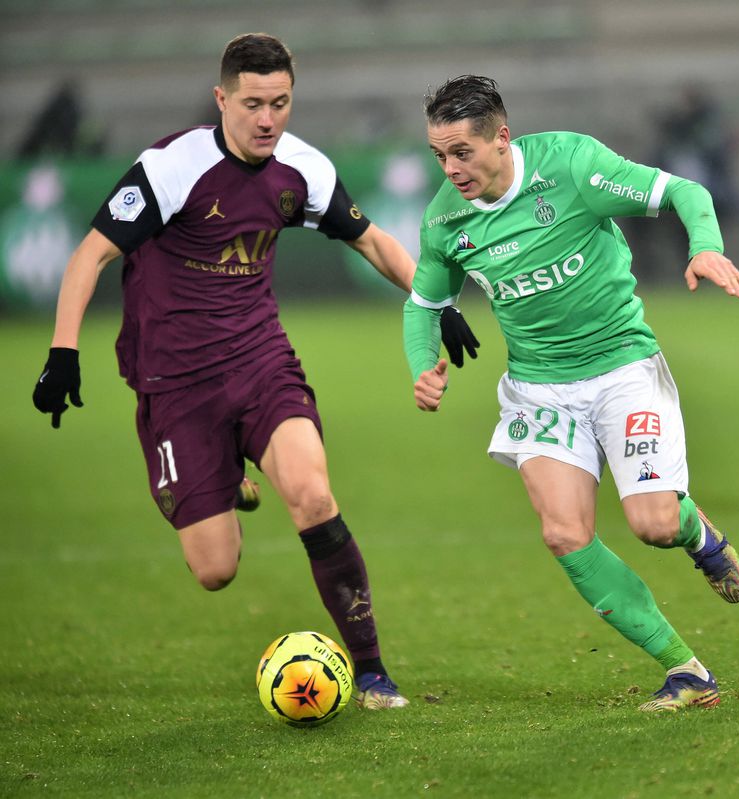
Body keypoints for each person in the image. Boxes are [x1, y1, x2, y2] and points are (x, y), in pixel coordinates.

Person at [30, 33, 479, 710]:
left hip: (260, 359)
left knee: (313, 495)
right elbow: (88, 256)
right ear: (222, 100)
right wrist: (63, 352)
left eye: (281, 103)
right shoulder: (169, 169)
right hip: (174, 381)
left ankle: (373, 672)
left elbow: (373, 240)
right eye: (253, 104)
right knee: (215, 570)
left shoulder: (302, 169)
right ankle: (223, 477)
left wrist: (432, 300)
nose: (268, 118)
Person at [404, 75, 739, 712]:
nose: (450, 169)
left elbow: (684, 190)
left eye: (461, 153)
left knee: (652, 524)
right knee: (564, 533)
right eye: (438, 156)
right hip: (538, 392)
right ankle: (687, 672)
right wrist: (424, 365)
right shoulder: (445, 220)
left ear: (501, 139)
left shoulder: (573, 165)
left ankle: (694, 532)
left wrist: (704, 247)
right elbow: (424, 303)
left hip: (623, 369)